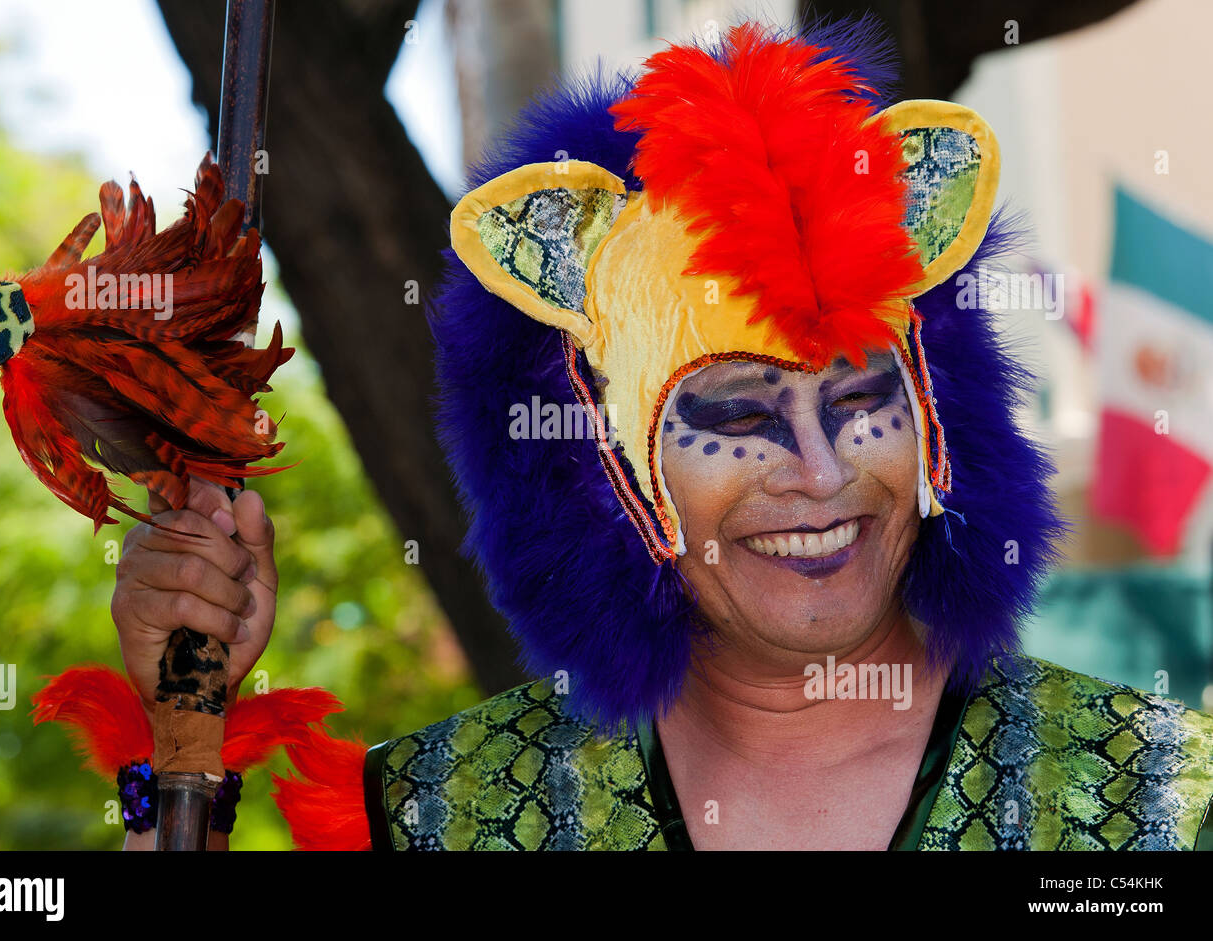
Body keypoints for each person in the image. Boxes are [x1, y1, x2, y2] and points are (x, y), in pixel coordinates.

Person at [108, 17, 1213, 851]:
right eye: (733, 412)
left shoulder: (1162, 800)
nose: (820, 474)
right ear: (606, 463)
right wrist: (187, 744)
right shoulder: (454, 814)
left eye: (858, 399)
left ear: (932, 415)